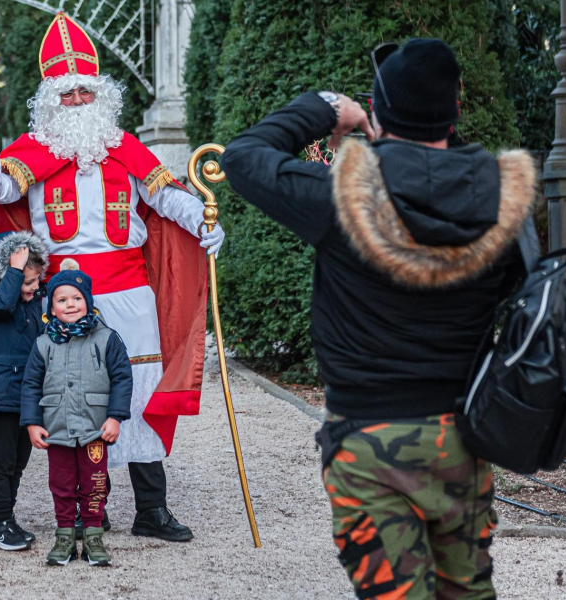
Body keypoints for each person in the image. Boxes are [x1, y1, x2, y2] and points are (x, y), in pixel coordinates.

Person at [220, 38, 537, 599]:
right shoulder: (502, 199)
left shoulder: (343, 197)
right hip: (463, 437)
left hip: (368, 440)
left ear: (380, 112)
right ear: (456, 110)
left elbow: (244, 156)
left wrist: (323, 107)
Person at [0, 12, 219, 542]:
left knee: (140, 391)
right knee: (77, 397)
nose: (79, 103)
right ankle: (91, 506)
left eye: (86, 93)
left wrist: (203, 221)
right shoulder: (32, 151)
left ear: (101, 96)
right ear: (51, 101)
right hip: (63, 294)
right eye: (68, 95)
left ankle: (151, 509)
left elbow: (165, 195)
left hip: (130, 292)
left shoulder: (126, 146)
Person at [20, 260, 132, 567]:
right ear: (52, 307)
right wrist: (31, 423)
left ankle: (94, 536)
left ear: (88, 302)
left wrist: (115, 417)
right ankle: (65, 536)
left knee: (95, 482)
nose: (70, 304)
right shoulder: (43, 343)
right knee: (61, 483)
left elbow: (122, 377)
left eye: (77, 298)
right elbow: (30, 383)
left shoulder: (107, 338)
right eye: (62, 299)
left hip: (96, 428)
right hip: (57, 428)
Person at [0, 230, 48, 551]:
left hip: (28, 394)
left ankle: (7, 517)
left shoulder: (33, 302)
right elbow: (4, 302)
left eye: (36, 282)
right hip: (1, 391)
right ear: (8, 273)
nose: (34, 288)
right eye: (27, 282)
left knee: (19, 460)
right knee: (2, 460)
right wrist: (15, 272)